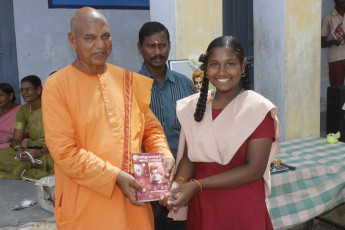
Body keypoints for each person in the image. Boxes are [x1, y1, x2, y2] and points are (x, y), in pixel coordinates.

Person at [41, 7, 174, 230]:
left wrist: (164, 157)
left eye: (106, 36)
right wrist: (115, 177)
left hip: (135, 206)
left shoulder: (127, 79)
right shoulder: (57, 86)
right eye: (90, 38)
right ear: (72, 41)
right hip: (86, 206)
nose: (101, 45)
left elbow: (151, 131)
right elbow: (64, 151)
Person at [162, 36, 281, 230]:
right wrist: (178, 183)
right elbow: (190, 157)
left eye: (230, 64)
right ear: (206, 69)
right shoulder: (193, 107)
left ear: (243, 67)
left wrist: (196, 185)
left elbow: (254, 169)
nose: (222, 72)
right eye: (214, 64)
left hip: (241, 207)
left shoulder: (257, 109)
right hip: (203, 205)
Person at [137, 21, 196, 230]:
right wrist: (150, 188)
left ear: (169, 46)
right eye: (150, 46)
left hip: (184, 173)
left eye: (162, 45)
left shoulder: (185, 84)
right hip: (148, 178)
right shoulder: (132, 88)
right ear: (140, 48)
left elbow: (195, 132)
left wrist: (183, 180)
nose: (157, 51)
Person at [0, 76, 54, 180]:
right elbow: (16, 138)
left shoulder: (51, 107)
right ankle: (30, 165)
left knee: (59, 161)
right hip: (30, 149)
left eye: (28, 89)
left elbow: (60, 138)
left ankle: (30, 167)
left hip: (50, 149)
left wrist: (40, 152)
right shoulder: (23, 110)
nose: (24, 93)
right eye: (22, 90)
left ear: (38, 90)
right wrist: (19, 150)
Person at [321, 0, 345, 86]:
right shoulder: (328, 18)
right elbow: (322, 43)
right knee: (336, 90)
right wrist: (334, 42)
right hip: (335, 59)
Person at [0, 83, 24, 148]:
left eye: (0, 95)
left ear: (10, 96)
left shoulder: (20, 110)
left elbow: (28, 133)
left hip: (15, 143)